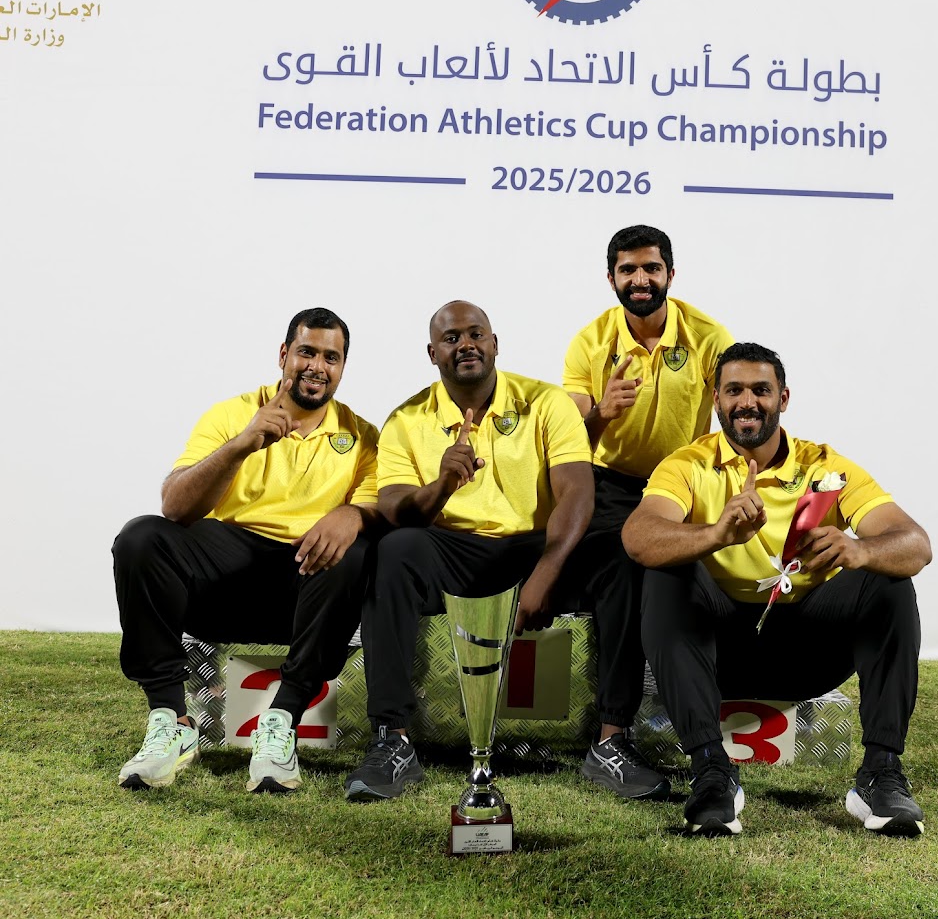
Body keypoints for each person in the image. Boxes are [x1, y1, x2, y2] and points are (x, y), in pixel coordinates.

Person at [345, 300, 667, 801]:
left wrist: (546, 571)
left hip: (534, 546)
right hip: (453, 547)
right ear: (433, 353)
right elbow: (395, 511)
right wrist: (442, 486)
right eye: (452, 338)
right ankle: (393, 740)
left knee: (618, 556)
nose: (466, 345)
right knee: (395, 550)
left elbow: (579, 492)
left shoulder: (545, 402)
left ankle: (612, 742)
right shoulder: (406, 419)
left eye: (476, 334)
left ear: (495, 344)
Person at [622, 342, 932, 837]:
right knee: (664, 570)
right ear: (717, 399)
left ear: (783, 398)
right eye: (734, 390)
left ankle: (881, 772)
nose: (748, 401)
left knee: (890, 581)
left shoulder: (824, 465)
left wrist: (860, 551)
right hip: (718, 654)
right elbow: (638, 538)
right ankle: (712, 771)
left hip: (806, 651)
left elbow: (916, 544)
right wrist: (716, 535)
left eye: (761, 390)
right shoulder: (687, 464)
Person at [113, 307, 381, 794]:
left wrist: (352, 514)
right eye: (306, 352)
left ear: (343, 367)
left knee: (356, 551)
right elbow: (175, 506)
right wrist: (242, 443)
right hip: (225, 577)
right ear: (283, 355)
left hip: (303, 589)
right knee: (140, 537)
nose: (317, 366)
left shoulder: (362, 436)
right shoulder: (233, 413)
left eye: (331, 357)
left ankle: (280, 723)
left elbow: (381, 504)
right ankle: (171, 720)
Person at [562, 224, 733, 793]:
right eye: (628, 270)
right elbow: (569, 442)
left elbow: (738, 417)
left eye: (651, 269)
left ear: (670, 275)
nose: (640, 280)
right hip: (609, 485)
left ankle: (705, 730)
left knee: (700, 572)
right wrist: (601, 413)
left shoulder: (709, 336)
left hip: (681, 485)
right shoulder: (590, 342)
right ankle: (611, 740)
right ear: (611, 278)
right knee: (628, 567)